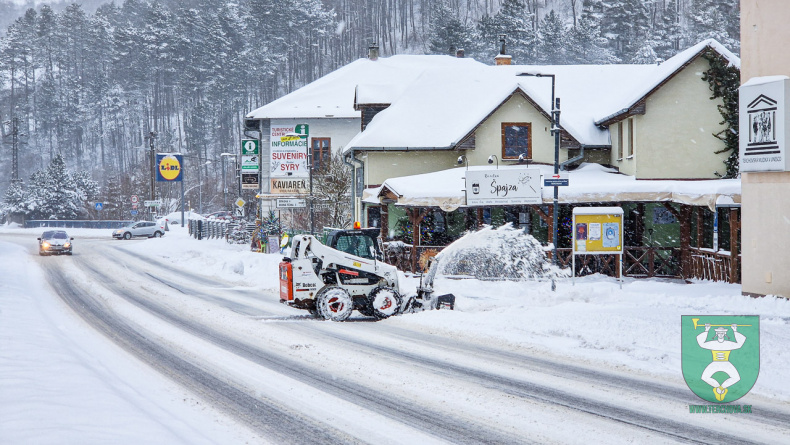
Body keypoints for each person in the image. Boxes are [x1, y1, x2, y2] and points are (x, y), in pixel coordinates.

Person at [696, 323, 747, 401]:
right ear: (716, 333)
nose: (720, 334)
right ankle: (717, 388)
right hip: (715, 363)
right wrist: (706, 330)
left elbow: (739, 344)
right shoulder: (713, 343)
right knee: (704, 377)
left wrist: (735, 330)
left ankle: (721, 388)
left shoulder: (728, 343)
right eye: (719, 333)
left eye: (722, 333)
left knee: (736, 378)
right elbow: (701, 344)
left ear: (725, 333)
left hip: (726, 363)